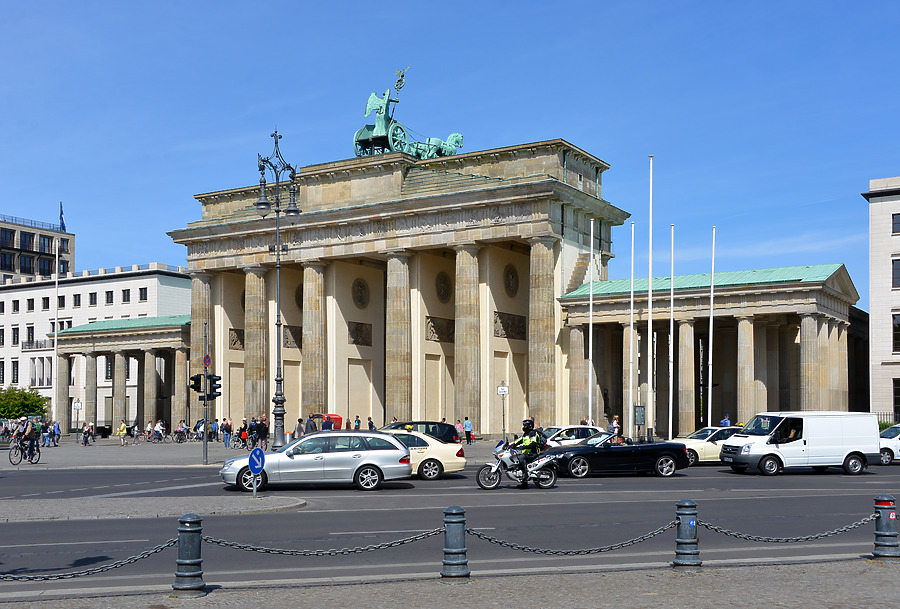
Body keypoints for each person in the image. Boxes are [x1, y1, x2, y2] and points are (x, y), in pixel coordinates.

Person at [509, 418, 546, 488]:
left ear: (529, 426)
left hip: (533, 452)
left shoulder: (533, 433)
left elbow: (533, 443)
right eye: (524, 426)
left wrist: (523, 447)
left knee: (521, 457)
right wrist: (510, 445)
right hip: (527, 452)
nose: (524, 427)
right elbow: (518, 441)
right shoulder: (525, 434)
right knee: (517, 459)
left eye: (525, 426)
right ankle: (524, 484)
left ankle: (525, 474)